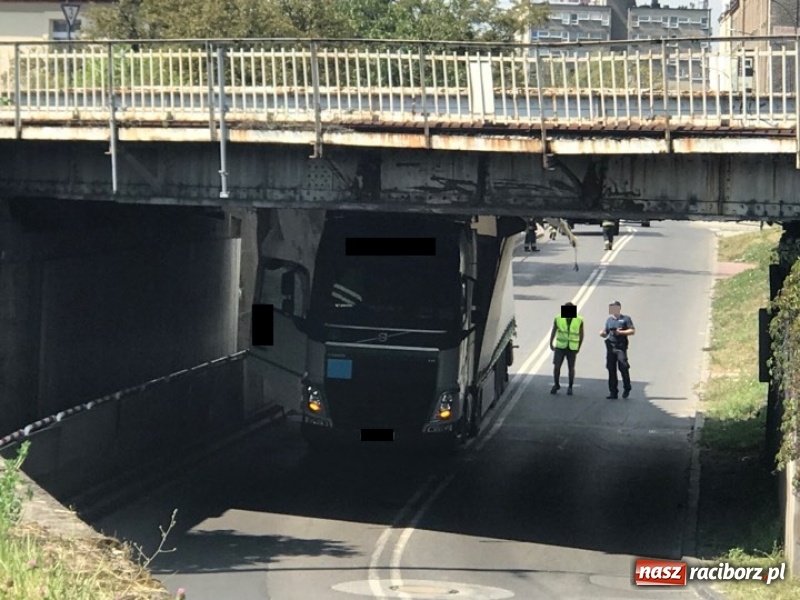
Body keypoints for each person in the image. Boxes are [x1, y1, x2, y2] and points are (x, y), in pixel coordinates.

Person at [599, 301, 635, 399]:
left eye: (614, 307)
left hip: (621, 347)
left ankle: (627, 387)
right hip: (611, 348)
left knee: (623, 367)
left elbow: (632, 331)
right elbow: (606, 332)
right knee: (611, 369)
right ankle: (613, 392)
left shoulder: (625, 319)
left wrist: (621, 332)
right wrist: (602, 333)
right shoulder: (609, 320)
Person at [549, 301, 584, 395]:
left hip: (572, 347)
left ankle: (570, 387)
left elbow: (581, 335)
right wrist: (551, 343)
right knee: (557, 366)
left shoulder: (579, 320)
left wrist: (578, 347)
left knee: (571, 367)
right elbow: (554, 330)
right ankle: (556, 384)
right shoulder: (558, 318)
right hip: (560, 346)